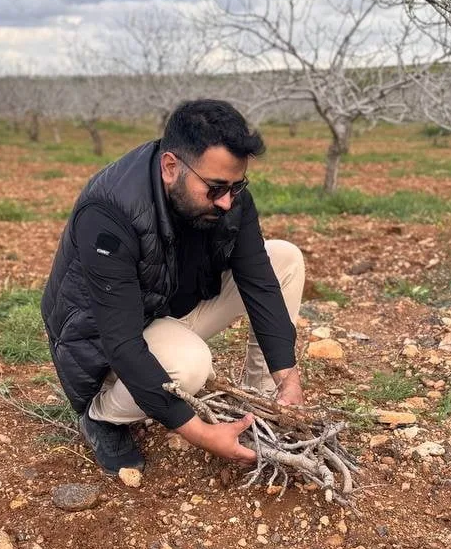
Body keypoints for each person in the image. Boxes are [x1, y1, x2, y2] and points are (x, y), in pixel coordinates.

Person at [40, 99, 305, 475]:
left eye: (236, 186)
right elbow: (121, 342)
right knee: (189, 366)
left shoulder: (228, 196)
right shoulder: (108, 214)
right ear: (170, 167)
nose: (228, 201)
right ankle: (101, 416)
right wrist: (200, 434)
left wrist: (288, 378)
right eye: (215, 188)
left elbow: (259, 282)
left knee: (285, 259)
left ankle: (261, 405)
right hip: (106, 343)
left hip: (169, 309)